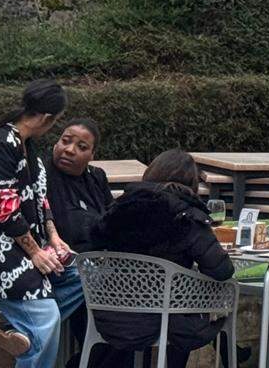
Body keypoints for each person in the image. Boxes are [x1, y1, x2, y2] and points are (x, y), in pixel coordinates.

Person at [94, 149, 234, 368]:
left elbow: (94, 244)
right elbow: (222, 270)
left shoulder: (118, 208)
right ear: (191, 182)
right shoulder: (186, 215)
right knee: (210, 293)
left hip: (111, 317)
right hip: (170, 323)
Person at [0, 80, 68, 368]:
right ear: (49, 119)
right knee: (47, 316)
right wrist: (36, 252)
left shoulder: (29, 147)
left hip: (28, 244)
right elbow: (5, 208)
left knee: (81, 277)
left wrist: (54, 237)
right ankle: (29, 333)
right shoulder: (2, 143)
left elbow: (40, 198)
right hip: (1, 250)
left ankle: (19, 334)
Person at [44, 119, 111, 366]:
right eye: (65, 140)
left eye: (81, 146)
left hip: (100, 271)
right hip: (59, 269)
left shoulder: (96, 178)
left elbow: (111, 223)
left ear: (92, 155)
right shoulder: (39, 173)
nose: (69, 149)